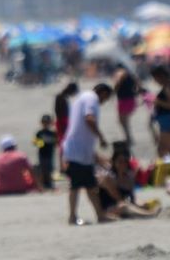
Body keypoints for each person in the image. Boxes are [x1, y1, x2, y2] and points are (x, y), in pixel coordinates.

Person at [61, 83, 114, 225]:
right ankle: (72, 217)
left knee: (90, 185)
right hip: (77, 151)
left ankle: (100, 215)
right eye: (106, 98)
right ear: (102, 92)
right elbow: (89, 119)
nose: (104, 102)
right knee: (76, 186)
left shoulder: (81, 97)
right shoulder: (91, 98)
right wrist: (101, 137)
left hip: (79, 151)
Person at [113, 66, 139, 145]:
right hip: (131, 100)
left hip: (124, 100)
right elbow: (138, 85)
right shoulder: (132, 76)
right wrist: (134, 93)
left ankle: (129, 138)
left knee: (122, 121)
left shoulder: (120, 74)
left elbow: (117, 84)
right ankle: (128, 138)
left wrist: (115, 90)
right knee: (125, 121)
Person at [54, 81, 79, 163]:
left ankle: (64, 163)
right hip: (63, 122)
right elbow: (60, 113)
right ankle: (63, 164)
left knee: (64, 144)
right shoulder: (61, 97)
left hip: (62, 121)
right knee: (64, 144)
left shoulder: (62, 96)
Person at [33, 114, 57, 189]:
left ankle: (49, 183)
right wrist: (41, 142)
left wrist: (48, 142)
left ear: (50, 123)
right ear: (41, 123)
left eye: (47, 122)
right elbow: (35, 142)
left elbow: (55, 143)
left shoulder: (52, 133)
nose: (45, 124)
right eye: (44, 122)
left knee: (49, 168)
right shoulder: (39, 133)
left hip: (50, 154)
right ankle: (43, 183)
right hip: (42, 154)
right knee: (42, 168)